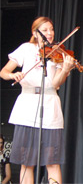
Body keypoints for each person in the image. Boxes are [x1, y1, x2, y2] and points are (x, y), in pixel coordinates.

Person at [0, 17, 75, 184]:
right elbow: (4, 71)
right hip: (27, 105)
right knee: (27, 162)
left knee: (52, 161)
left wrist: (64, 69)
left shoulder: (56, 52)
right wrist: (14, 75)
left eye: (52, 29)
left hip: (50, 105)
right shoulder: (26, 49)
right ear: (35, 33)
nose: (50, 33)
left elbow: (56, 83)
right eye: (45, 30)